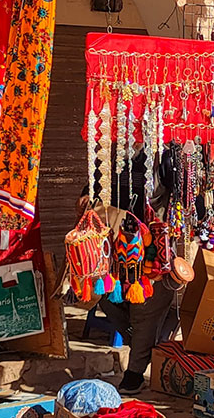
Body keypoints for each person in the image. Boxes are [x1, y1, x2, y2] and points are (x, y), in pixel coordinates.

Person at [76, 146, 179, 395]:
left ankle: (134, 371)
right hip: (114, 248)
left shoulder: (163, 154)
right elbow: (93, 188)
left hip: (150, 248)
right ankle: (149, 345)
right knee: (108, 301)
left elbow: (180, 191)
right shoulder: (111, 151)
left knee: (145, 310)